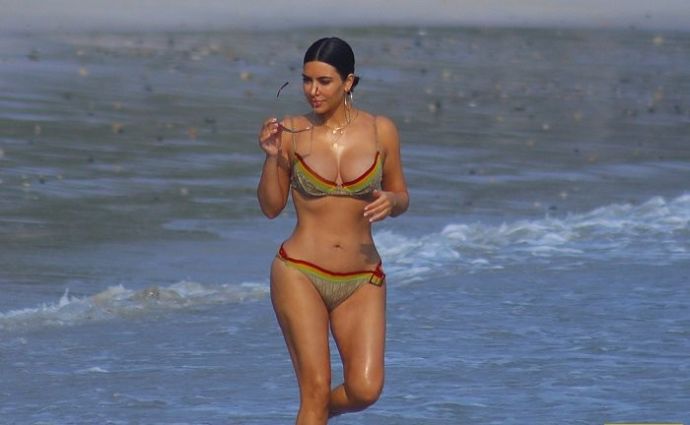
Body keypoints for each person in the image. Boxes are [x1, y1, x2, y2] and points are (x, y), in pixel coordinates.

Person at [257, 36, 409, 424]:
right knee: (314, 389)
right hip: (300, 272)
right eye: (307, 80)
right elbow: (271, 208)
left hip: (362, 278)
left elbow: (401, 195)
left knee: (365, 389)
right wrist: (272, 158)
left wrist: (391, 203)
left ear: (348, 82)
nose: (313, 90)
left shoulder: (381, 131)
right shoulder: (292, 131)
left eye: (324, 81)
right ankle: (313, 410)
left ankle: (316, 413)